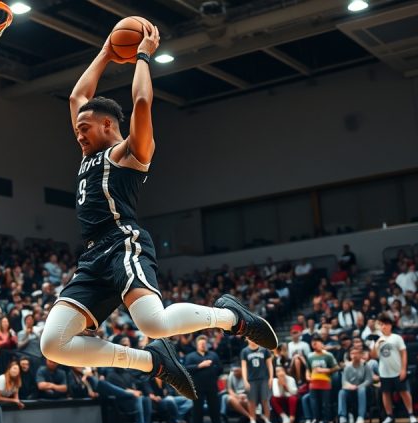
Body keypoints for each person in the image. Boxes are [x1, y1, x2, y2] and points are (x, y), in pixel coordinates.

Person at [38, 19, 277, 401]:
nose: (78, 133)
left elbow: (142, 103)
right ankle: (152, 362)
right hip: (92, 258)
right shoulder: (89, 149)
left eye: (84, 128)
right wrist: (106, 51)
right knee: (53, 343)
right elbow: (76, 97)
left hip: (122, 243)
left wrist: (143, 57)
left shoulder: (130, 152)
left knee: (154, 322)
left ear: (107, 124)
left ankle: (232, 317)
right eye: (78, 129)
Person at [371, 315, 417, 423]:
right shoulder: (378, 340)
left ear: (390, 326)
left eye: (386, 324)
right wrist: (377, 344)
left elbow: (404, 353)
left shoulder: (397, 338)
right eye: (382, 324)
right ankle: (389, 416)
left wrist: (403, 369)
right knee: (385, 393)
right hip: (384, 372)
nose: (384, 326)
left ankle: (411, 414)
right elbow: (373, 356)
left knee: (404, 392)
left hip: (397, 371)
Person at [185, 335, 222, 423]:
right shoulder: (190, 356)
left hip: (212, 385)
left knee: (214, 406)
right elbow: (186, 369)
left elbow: (220, 368)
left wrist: (213, 370)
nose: (203, 345)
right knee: (197, 407)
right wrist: (199, 366)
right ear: (196, 345)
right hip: (197, 386)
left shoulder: (213, 355)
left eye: (204, 343)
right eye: (201, 344)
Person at [305, 335, 339, 423]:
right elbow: (308, 368)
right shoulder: (310, 356)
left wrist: (327, 370)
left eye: (317, 342)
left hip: (325, 381)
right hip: (313, 382)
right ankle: (316, 419)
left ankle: (327, 420)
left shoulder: (328, 355)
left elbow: (336, 367)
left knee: (326, 403)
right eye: (313, 343)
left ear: (321, 344)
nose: (315, 344)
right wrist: (307, 376)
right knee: (314, 403)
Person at [241, 339, 274, 423]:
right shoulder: (244, 351)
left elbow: (269, 364)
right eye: (249, 338)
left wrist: (271, 377)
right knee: (251, 401)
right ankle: (253, 420)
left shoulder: (265, 349)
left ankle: (267, 420)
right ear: (247, 339)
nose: (252, 340)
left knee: (265, 400)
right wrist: (245, 380)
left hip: (264, 379)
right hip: (251, 380)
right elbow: (243, 367)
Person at [338, 347, 372, 423]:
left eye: (356, 353)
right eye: (352, 353)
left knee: (361, 390)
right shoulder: (347, 367)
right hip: (350, 389)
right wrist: (350, 386)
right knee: (341, 392)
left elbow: (368, 380)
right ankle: (342, 416)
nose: (354, 355)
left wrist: (359, 386)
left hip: (363, 390)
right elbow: (344, 382)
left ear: (361, 355)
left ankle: (361, 416)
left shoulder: (365, 365)